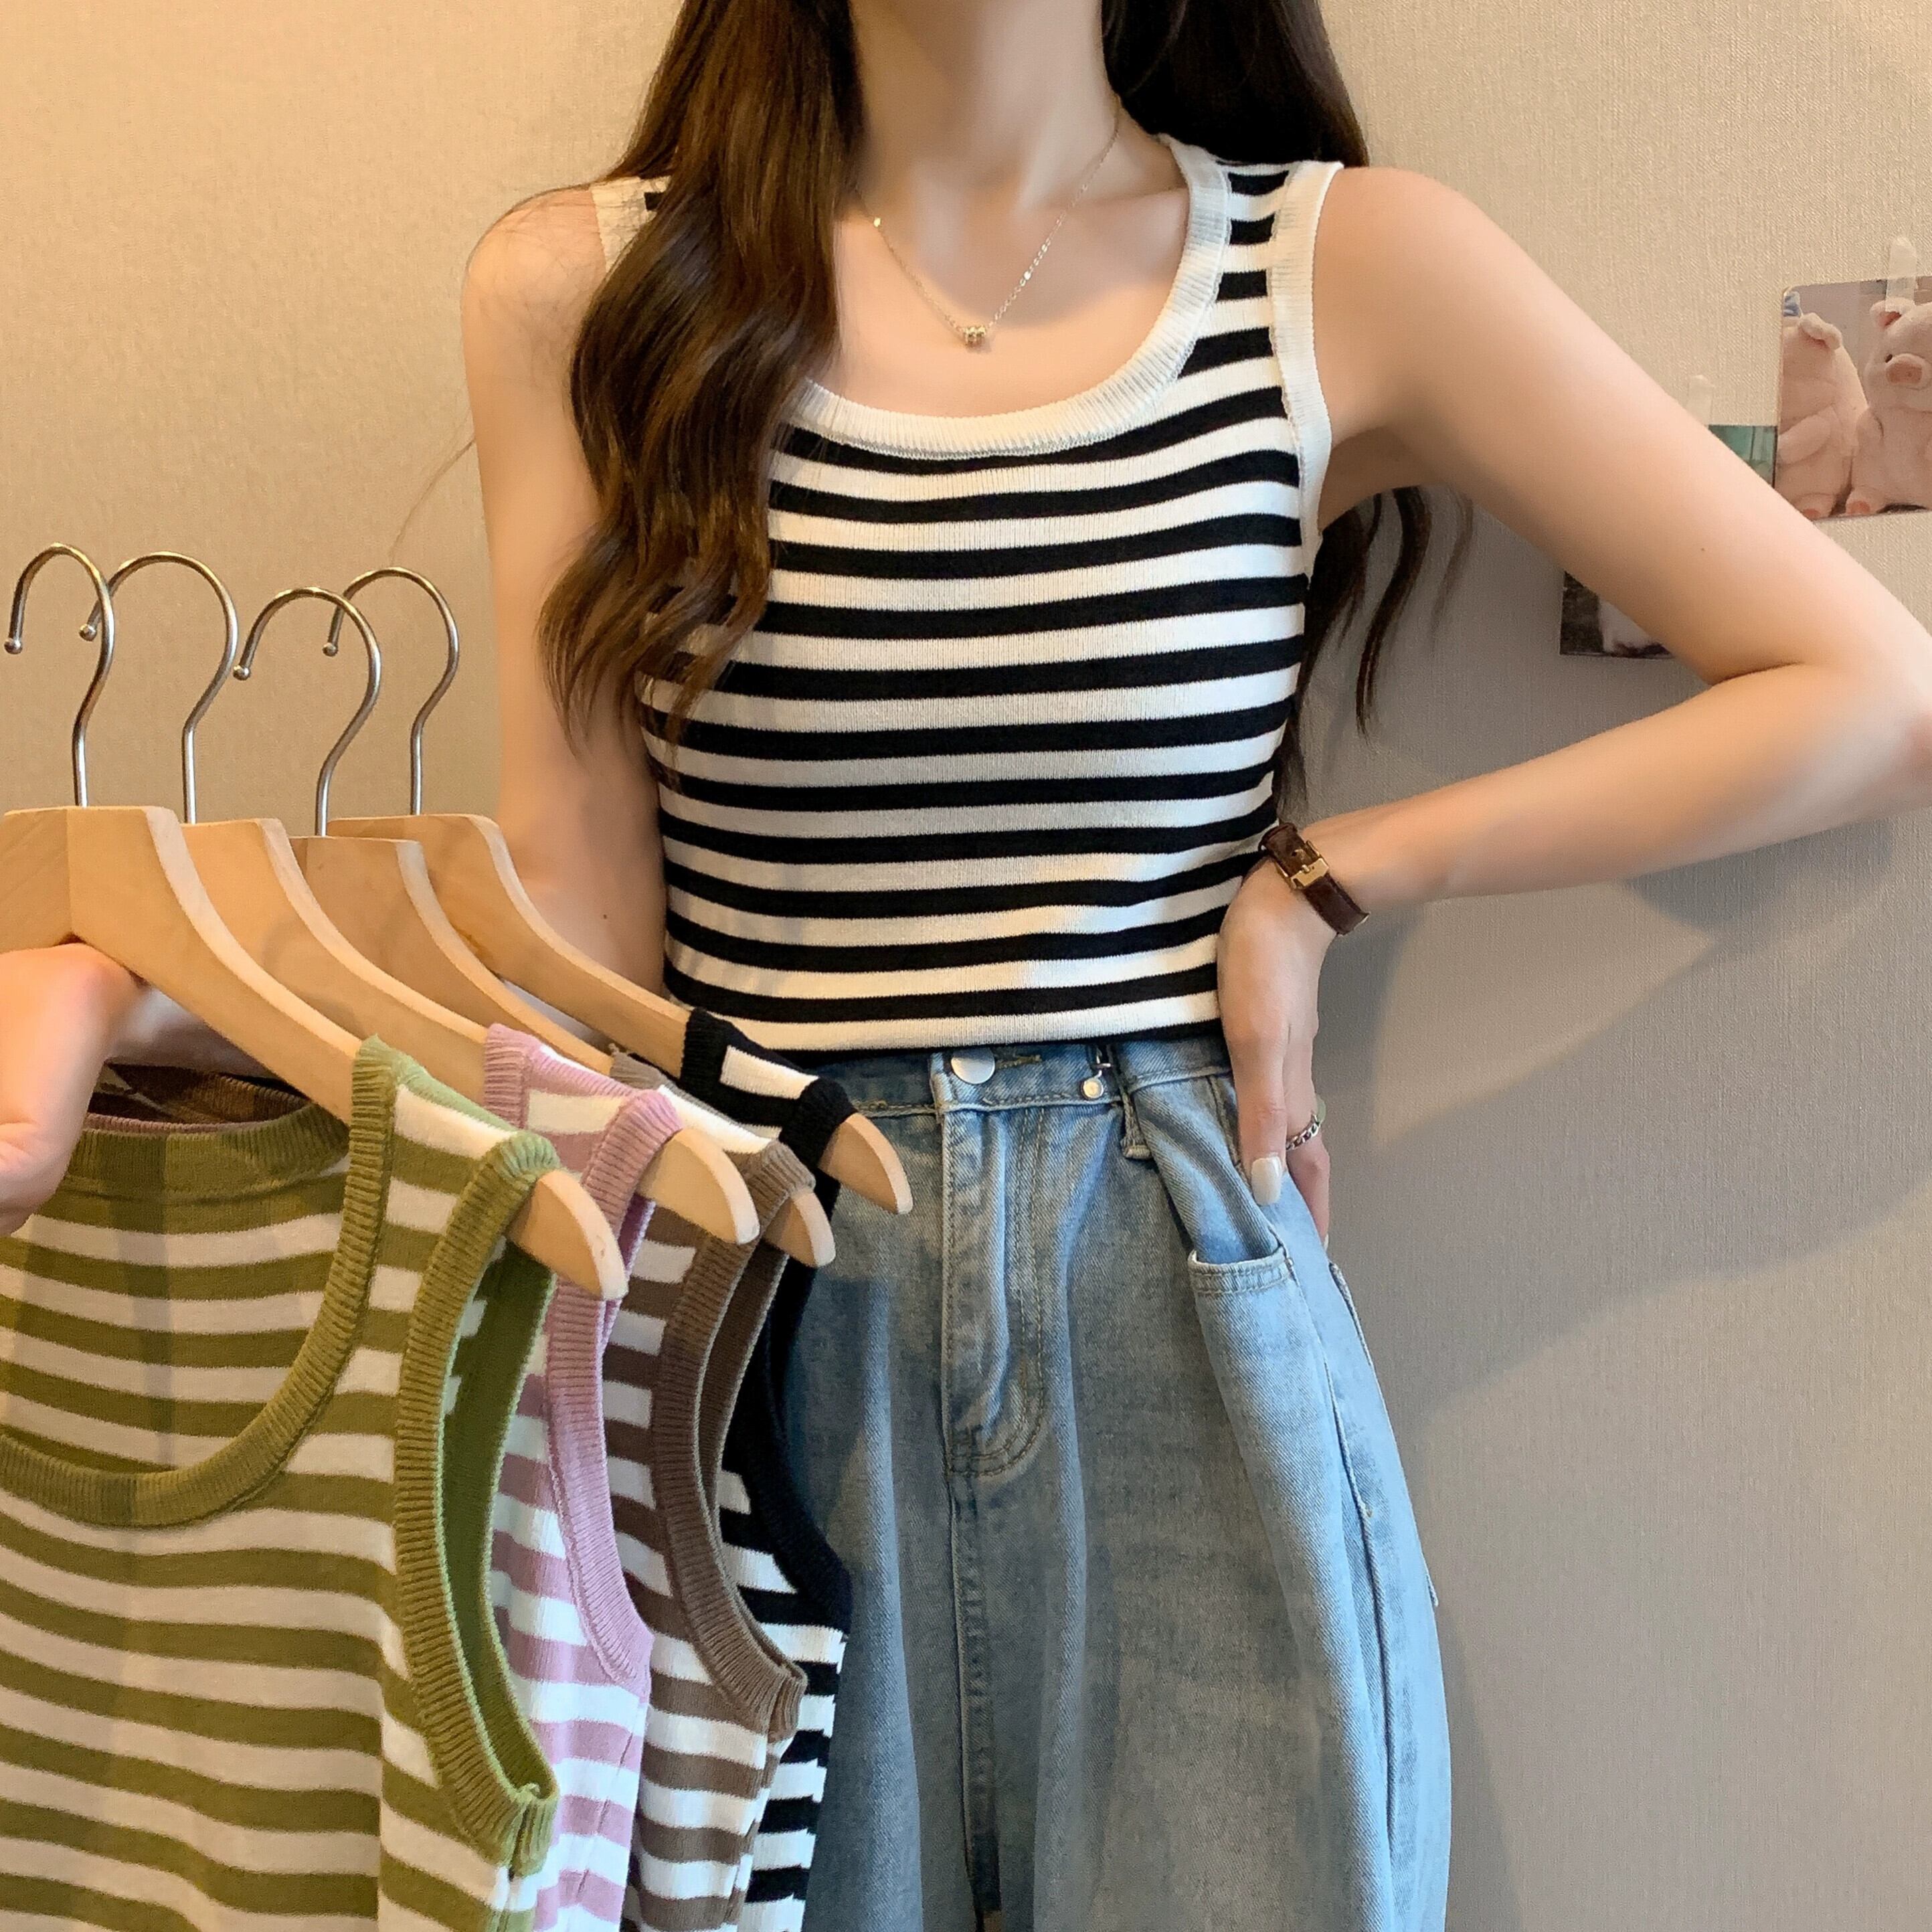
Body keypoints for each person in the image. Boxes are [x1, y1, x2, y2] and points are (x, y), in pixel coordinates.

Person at [6, 1, 1932, 1927]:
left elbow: (1867, 689)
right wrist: (142, 990)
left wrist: (1329, 880)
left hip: (1188, 1314)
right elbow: (566, 954)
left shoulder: (1335, 267)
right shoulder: (599, 295)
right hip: (755, 1311)